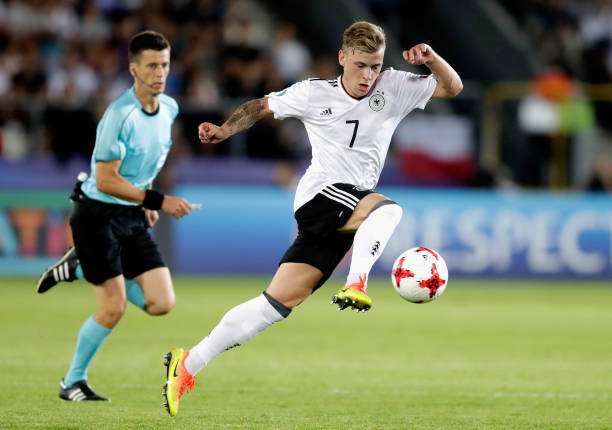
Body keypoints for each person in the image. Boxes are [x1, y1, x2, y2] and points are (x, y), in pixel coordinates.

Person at [162, 21, 462, 416]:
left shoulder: (394, 86)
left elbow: (451, 87)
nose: (368, 76)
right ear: (342, 58)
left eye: (374, 66)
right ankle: (357, 283)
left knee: (275, 305)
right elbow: (260, 107)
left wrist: (432, 59)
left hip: (344, 209)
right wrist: (223, 129)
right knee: (388, 209)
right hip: (320, 196)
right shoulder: (313, 93)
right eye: (360, 66)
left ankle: (187, 364)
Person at [37, 30, 194, 402]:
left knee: (162, 303)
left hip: (131, 214)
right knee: (113, 307)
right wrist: (155, 200)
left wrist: (142, 204)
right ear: (133, 69)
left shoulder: (169, 108)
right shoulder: (118, 115)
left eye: (165, 65)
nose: (159, 73)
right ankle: (72, 382)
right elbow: (106, 179)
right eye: (152, 65)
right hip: (97, 215)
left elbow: (150, 160)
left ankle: (78, 267)